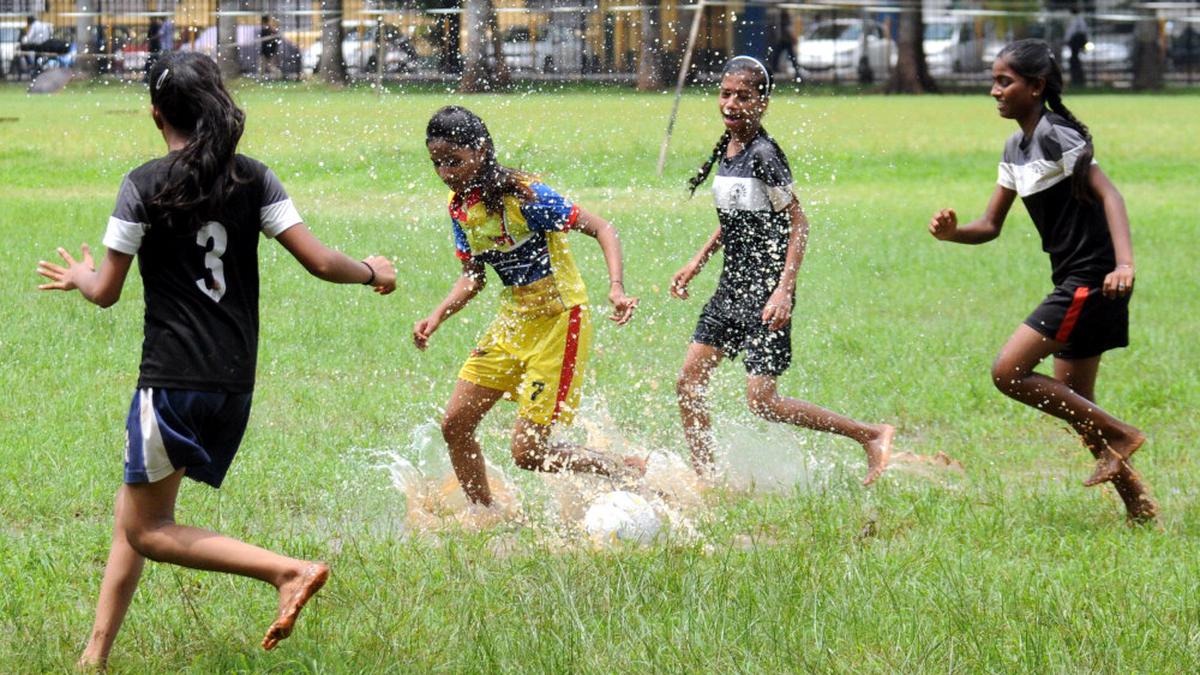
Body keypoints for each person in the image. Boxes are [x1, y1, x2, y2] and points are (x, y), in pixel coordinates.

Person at [36, 52, 397, 669]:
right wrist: (371, 271)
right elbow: (317, 260)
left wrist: (79, 275)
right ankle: (94, 656)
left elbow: (105, 293)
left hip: (172, 379)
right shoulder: (252, 177)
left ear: (155, 115)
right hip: (233, 383)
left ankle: (286, 570)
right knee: (137, 508)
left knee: (150, 530)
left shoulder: (142, 184)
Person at [928, 39, 1155, 521]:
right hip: (1074, 277)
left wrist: (1125, 265)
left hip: (1091, 279)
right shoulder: (1015, 146)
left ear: (1037, 86)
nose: (994, 91)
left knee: (1007, 371)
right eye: (994, 81)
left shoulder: (1056, 134)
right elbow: (989, 226)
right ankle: (1138, 505)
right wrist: (952, 234)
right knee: (1076, 403)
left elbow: (1110, 196)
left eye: (1004, 81)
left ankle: (1123, 434)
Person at [671, 56, 894, 485]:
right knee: (688, 383)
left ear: (763, 103)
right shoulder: (730, 148)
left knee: (764, 401)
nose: (732, 103)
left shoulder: (764, 153)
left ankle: (870, 435)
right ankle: (707, 479)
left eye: (743, 96)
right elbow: (739, 214)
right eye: (726, 93)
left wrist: (783, 292)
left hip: (764, 296)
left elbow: (798, 222)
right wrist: (697, 260)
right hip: (729, 291)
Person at [413, 105, 644, 509]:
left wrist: (617, 288)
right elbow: (474, 276)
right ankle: (488, 515)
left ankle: (623, 469)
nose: (447, 173)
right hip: (513, 322)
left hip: (559, 322)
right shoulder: (459, 206)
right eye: (438, 163)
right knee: (455, 424)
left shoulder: (526, 197)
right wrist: (437, 316)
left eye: (455, 161)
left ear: (481, 152)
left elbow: (603, 227)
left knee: (528, 452)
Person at [768, 9, 801, 80]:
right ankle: (773, 70)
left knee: (789, 56)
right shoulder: (782, 19)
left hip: (786, 40)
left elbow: (788, 30)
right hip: (783, 40)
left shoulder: (785, 20)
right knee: (778, 56)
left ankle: (797, 72)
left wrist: (793, 38)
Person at [1067, 7, 1089, 87]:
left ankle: (1077, 79)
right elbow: (1085, 31)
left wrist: (1067, 40)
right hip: (1079, 40)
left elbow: (1071, 31)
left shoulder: (1075, 19)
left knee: (1074, 59)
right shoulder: (1081, 19)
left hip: (1076, 40)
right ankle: (1078, 79)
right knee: (1075, 59)